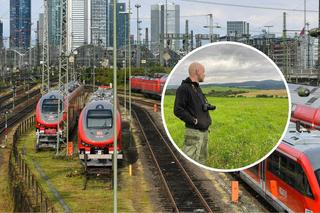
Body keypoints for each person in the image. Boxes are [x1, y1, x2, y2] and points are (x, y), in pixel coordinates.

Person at [174, 62, 214, 164]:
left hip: (204, 132)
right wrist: (194, 121)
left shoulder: (196, 87)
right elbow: (178, 109)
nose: (204, 74)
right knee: (190, 163)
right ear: (197, 71)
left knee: (201, 161)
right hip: (194, 132)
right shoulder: (184, 88)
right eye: (203, 72)